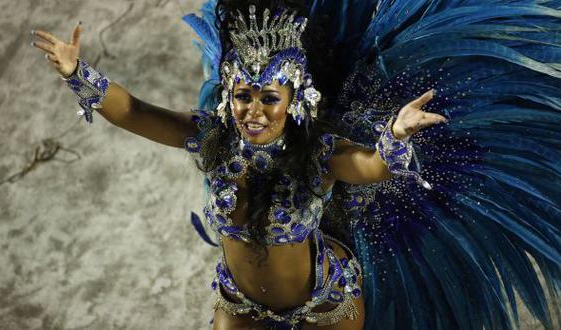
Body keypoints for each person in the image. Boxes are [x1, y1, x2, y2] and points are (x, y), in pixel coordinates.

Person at [31, 0, 560, 329]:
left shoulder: (320, 153)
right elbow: (137, 111)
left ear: (296, 100)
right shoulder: (210, 137)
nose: (253, 112)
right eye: (242, 96)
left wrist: (395, 135)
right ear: (228, 95)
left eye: (269, 99)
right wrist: (80, 74)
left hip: (325, 305)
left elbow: (373, 167)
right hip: (239, 303)